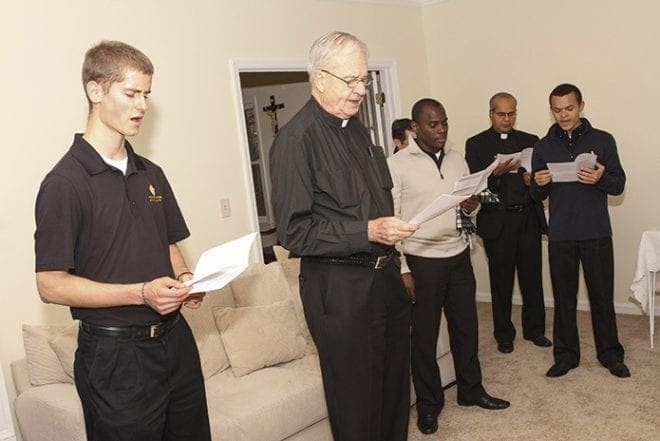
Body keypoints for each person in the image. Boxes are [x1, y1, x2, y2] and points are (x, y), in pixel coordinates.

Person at [34, 41, 211, 441]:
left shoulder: (151, 173)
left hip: (176, 342)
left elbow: (168, 243)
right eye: (131, 93)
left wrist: (184, 279)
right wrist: (141, 294)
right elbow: (50, 283)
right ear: (95, 91)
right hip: (115, 359)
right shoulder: (64, 183)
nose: (143, 105)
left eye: (146, 94)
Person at [268, 31, 418, 441]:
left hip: (384, 279)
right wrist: (367, 230)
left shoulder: (357, 130)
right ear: (319, 77)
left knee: (393, 396)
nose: (361, 90)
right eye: (350, 81)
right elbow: (294, 233)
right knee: (356, 406)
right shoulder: (295, 141)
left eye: (364, 80)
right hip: (340, 289)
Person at [388, 98, 510, 436]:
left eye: (444, 122)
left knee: (467, 329)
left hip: (458, 256)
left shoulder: (458, 159)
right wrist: (401, 268)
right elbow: (392, 220)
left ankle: (471, 391)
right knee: (424, 338)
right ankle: (429, 406)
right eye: (432, 124)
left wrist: (471, 207)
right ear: (415, 127)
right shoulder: (396, 165)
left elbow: (466, 208)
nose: (441, 129)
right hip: (421, 262)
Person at [531, 83, 630, 379]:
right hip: (560, 233)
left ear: (581, 106)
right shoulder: (543, 146)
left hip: (596, 231)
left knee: (601, 296)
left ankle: (611, 354)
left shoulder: (603, 140)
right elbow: (537, 197)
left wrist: (600, 178)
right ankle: (565, 356)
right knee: (564, 298)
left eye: (569, 108)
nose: (564, 115)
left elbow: (618, 184)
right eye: (557, 109)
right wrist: (538, 182)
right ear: (551, 110)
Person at [465, 92, 551, 354]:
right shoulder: (476, 144)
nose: (507, 119)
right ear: (491, 113)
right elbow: (475, 186)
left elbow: (541, 181)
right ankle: (504, 334)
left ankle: (535, 330)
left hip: (527, 218)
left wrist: (532, 179)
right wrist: (495, 174)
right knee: (500, 281)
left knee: (532, 278)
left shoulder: (530, 141)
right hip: (497, 220)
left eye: (511, 113)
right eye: (501, 114)